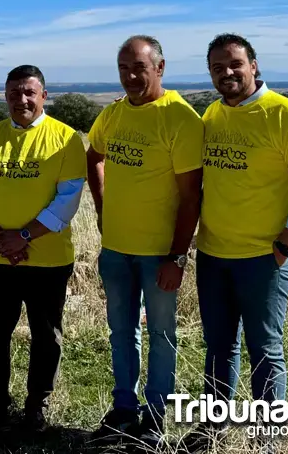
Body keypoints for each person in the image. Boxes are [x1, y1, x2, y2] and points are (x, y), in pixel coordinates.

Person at [182, 34, 288, 454]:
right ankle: (213, 428)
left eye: (235, 64)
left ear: (254, 66)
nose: (226, 73)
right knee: (218, 346)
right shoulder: (213, 113)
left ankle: (267, 439)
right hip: (213, 254)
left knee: (265, 349)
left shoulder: (287, 115)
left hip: (264, 259)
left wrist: (284, 246)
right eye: (217, 68)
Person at [85, 36, 203, 450]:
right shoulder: (113, 113)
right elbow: (94, 154)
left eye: (139, 67)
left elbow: (191, 196)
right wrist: (101, 208)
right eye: (123, 68)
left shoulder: (180, 118)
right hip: (115, 248)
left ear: (160, 68)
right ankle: (123, 410)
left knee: (162, 335)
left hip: (159, 253)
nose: (131, 76)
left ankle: (154, 419)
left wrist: (177, 256)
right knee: (120, 331)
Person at [0, 65, 87, 431]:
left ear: (44, 96)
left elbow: (67, 199)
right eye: (14, 93)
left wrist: (24, 236)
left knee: (46, 336)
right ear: (5, 96)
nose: (22, 100)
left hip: (47, 259)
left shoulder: (65, 139)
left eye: (29, 92)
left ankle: (37, 405)